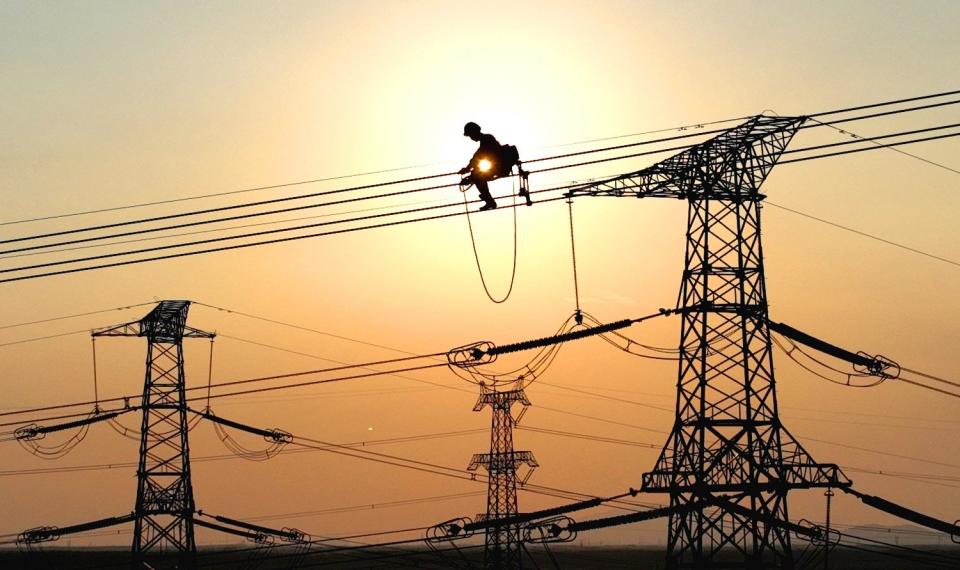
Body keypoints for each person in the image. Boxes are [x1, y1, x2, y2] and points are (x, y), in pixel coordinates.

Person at [458, 122, 509, 211]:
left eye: (470, 135)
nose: (471, 138)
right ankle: (489, 200)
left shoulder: (487, 139)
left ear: (474, 132)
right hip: (497, 166)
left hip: (501, 167)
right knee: (476, 176)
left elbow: (478, 157)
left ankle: (490, 202)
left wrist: (468, 170)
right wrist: (469, 172)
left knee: (477, 177)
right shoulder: (485, 139)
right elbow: (477, 157)